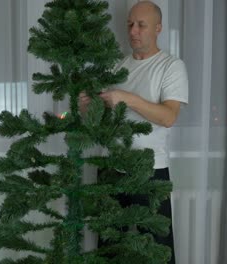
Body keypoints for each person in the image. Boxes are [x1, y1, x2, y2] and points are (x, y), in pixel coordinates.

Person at [80, 1, 188, 263]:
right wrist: (86, 108)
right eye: (130, 24)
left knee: (157, 249)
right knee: (107, 247)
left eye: (141, 25)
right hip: (110, 169)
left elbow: (169, 116)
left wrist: (128, 98)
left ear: (158, 28)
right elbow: (101, 121)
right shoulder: (116, 67)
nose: (133, 30)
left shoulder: (171, 66)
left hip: (149, 171)